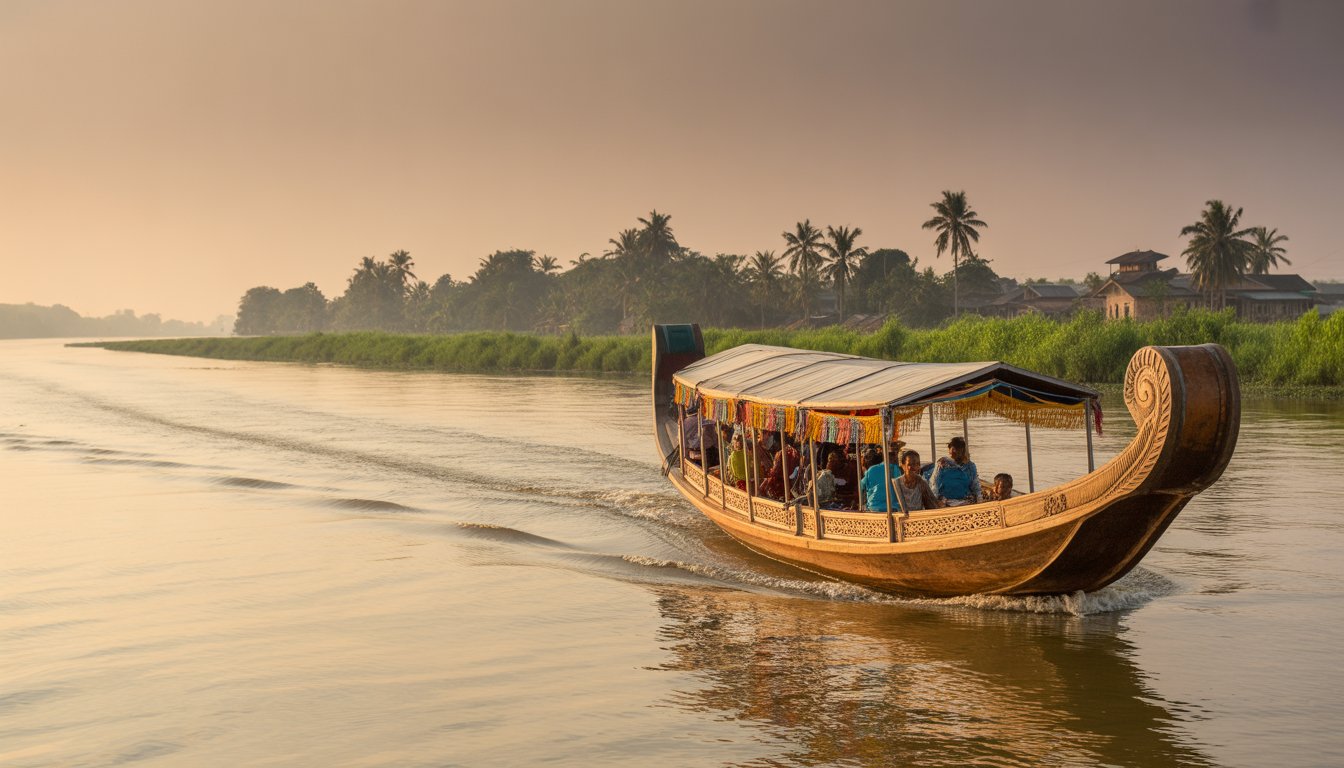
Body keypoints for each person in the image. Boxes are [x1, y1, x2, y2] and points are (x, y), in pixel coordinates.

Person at [930, 436, 981, 506]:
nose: (953, 453)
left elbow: (976, 486)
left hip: (965, 500)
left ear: (962, 451)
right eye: (951, 452)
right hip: (945, 500)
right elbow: (934, 484)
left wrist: (979, 499)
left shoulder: (970, 466)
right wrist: (934, 501)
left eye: (956, 451)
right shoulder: (942, 464)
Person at [859, 448, 894, 512]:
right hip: (893, 507)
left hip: (874, 508)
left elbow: (860, 487)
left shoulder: (870, 471)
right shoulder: (893, 468)